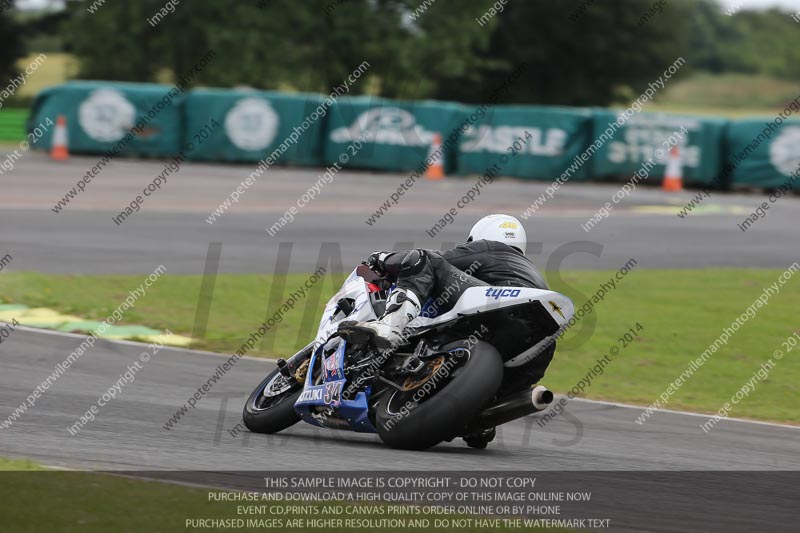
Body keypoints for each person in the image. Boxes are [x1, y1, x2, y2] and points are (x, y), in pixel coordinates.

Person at [338, 213, 554, 386]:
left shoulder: (489, 247)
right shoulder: (531, 271)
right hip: (536, 347)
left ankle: (390, 325)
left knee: (422, 259)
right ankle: (482, 418)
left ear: (477, 238)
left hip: (502, 305)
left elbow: (437, 260)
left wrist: (382, 259)